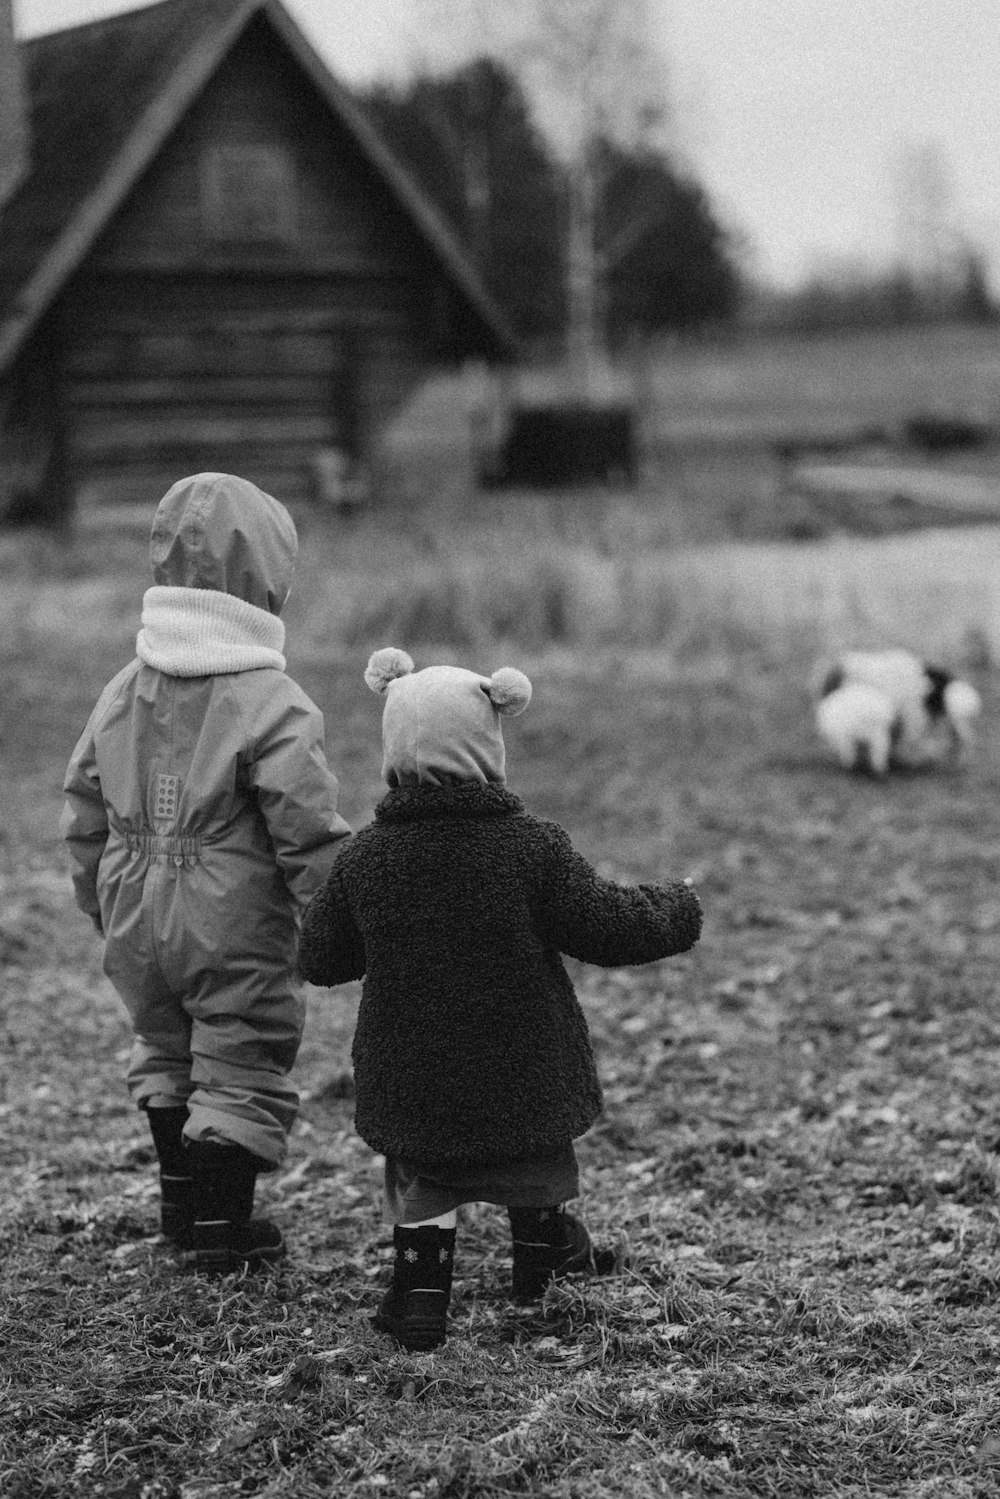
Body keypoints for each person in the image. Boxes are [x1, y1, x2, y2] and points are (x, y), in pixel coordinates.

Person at [298, 647, 702, 1351]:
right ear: (491, 740)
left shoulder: (365, 860)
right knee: (535, 1152)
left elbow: (320, 958)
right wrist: (676, 908)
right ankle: (545, 1250)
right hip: (524, 1066)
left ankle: (420, 1294)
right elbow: (605, 925)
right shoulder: (530, 849)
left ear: (394, 750)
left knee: (423, 1175)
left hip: (413, 1073)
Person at [61, 473, 351, 1274]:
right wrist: (335, 919)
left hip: (132, 907)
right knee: (239, 1050)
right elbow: (305, 825)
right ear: (268, 581)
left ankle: (180, 1202)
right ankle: (223, 1228)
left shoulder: (123, 689)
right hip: (231, 917)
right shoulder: (273, 702)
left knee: (164, 1043)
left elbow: (82, 802)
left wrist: (99, 899)